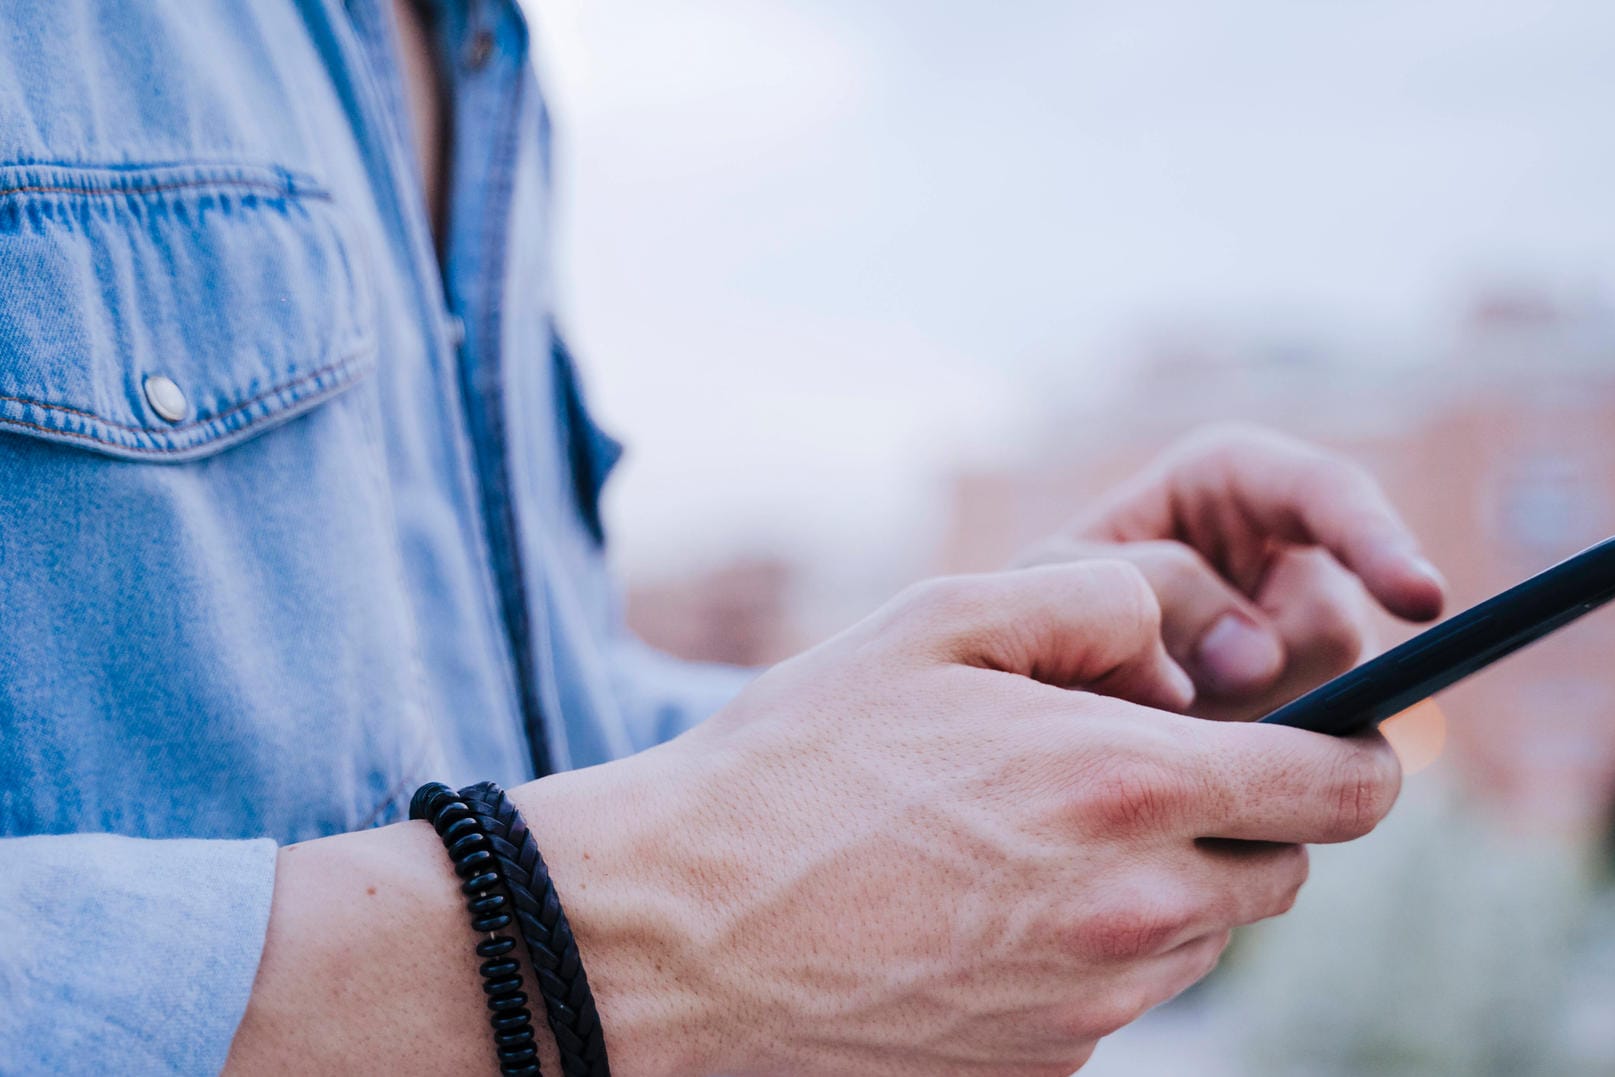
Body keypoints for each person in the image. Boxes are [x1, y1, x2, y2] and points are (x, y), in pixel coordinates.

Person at [0, 2, 1446, 1073]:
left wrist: (1014, 717)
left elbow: (489, 744)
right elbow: (599, 877)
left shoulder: (476, 60)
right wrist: (615, 944)